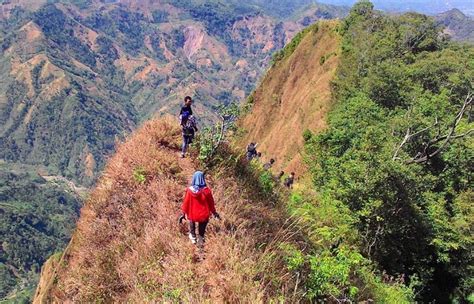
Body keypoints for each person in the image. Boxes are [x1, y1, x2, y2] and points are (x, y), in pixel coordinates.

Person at [179, 171, 220, 245]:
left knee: (191, 219)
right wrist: (214, 213)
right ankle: (201, 238)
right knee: (203, 223)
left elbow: (186, 203)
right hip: (203, 214)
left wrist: (183, 213)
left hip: (193, 214)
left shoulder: (189, 190)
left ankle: (193, 236)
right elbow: (211, 204)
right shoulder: (207, 191)